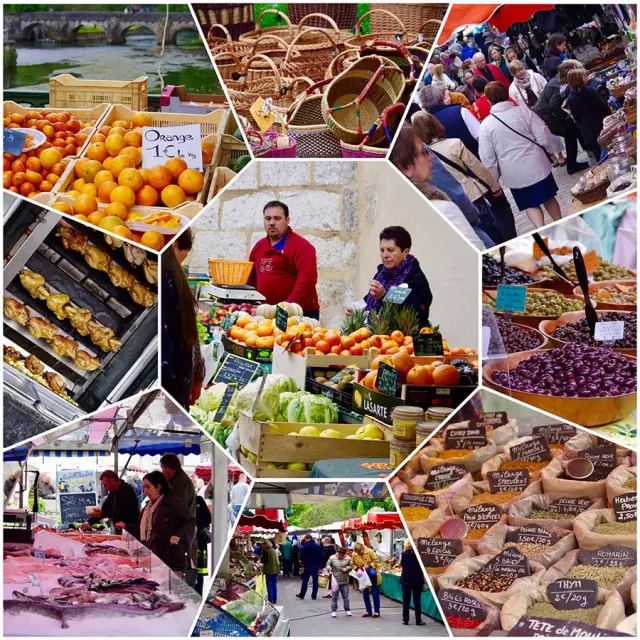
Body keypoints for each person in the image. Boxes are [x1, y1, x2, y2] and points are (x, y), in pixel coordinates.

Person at [412, 111, 517, 241]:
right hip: (472, 195)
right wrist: (494, 186)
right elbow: (478, 168)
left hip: (451, 200)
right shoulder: (454, 144)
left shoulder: (422, 158)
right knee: (492, 226)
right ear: (435, 124)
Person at [479, 81, 561, 229]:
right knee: (549, 197)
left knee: (530, 204)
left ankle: (541, 229)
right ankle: (561, 223)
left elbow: (487, 158)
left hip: (514, 172)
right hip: (537, 163)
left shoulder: (486, 125)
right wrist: (550, 148)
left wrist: (493, 180)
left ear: (488, 99)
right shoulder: (524, 112)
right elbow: (543, 135)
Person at [390, 125, 488, 250]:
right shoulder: (445, 209)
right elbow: (454, 192)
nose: (430, 156)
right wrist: (473, 216)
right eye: (424, 152)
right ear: (405, 168)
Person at [248, 200, 319, 319]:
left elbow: (306, 282)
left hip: (298, 315)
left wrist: (286, 309)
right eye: (268, 218)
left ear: (287, 220)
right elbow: (250, 281)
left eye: (277, 218)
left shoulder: (302, 247)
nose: (271, 223)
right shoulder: (259, 247)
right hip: (266, 316)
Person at [161, 228, 204, 409]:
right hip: (174, 381)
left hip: (174, 379)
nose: (181, 263)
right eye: (183, 256)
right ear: (175, 245)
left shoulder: (167, 275)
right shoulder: (168, 277)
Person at [124, 471, 195, 575]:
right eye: (144, 487)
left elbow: (190, 521)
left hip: (169, 558)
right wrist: (126, 526)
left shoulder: (172, 502)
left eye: (148, 487)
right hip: (152, 556)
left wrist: (178, 535)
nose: (145, 491)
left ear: (158, 487)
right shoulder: (148, 506)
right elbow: (142, 529)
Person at [360, 226, 433, 326]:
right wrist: (357, 310)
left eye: (390, 250)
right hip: (379, 336)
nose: (385, 255)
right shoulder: (381, 273)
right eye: (382, 250)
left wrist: (385, 296)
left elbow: (415, 313)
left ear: (405, 252)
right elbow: (369, 300)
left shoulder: (414, 278)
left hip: (406, 338)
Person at [534, 60, 589, 175]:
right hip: (546, 115)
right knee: (570, 134)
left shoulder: (559, 81)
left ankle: (574, 161)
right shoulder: (558, 85)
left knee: (571, 132)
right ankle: (572, 166)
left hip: (547, 114)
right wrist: (566, 116)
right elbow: (553, 105)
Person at [508, 59, 566, 167]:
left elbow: (547, 87)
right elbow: (516, 104)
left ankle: (560, 154)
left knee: (553, 132)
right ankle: (552, 156)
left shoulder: (535, 76)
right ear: (513, 74)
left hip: (545, 109)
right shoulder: (512, 88)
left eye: (521, 69)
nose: (521, 72)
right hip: (531, 114)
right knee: (541, 136)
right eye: (517, 71)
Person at [420, 84, 480, 157]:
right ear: (441, 97)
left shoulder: (424, 124)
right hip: (475, 158)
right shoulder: (460, 111)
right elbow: (480, 136)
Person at [566, 67, 610, 162]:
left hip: (587, 129)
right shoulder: (589, 91)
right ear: (580, 79)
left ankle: (602, 166)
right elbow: (601, 106)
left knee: (597, 152)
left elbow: (575, 116)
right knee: (607, 145)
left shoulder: (570, 97)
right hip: (599, 123)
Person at [85, 470, 140, 535]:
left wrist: (102, 513)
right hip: (119, 530)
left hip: (130, 532)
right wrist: (88, 522)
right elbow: (105, 508)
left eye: (106, 484)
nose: (105, 488)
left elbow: (121, 512)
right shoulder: (113, 491)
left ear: (112, 480)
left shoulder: (127, 490)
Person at [351, 542, 382, 618]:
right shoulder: (354, 554)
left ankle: (377, 612)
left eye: (359, 551)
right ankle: (368, 611)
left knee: (375, 594)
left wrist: (369, 566)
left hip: (373, 575)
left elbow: (377, 562)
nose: (358, 553)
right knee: (365, 594)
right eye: (357, 552)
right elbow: (352, 564)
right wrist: (358, 568)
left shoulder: (370, 551)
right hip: (363, 576)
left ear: (362, 548)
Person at [400, 540, 426, 626]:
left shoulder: (403, 554)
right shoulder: (419, 555)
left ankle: (405, 620)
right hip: (417, 581)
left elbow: (401, 565)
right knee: (417, 601)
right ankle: (418, 620)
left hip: (406, 580)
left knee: (406, 601)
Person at [326, 546, 352, 618]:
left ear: (344, 554)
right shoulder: (332, 558)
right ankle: (333, 611)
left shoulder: (348, 558)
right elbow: (327, 564)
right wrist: (329, 568)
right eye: (339, 555)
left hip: (344, 580)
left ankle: (347, 609)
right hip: (335, 581)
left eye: (342, 555)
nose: (340, 556)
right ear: (337, 553)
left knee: (345, 596)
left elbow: (351, 566)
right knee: (334, 597)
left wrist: (346, 568)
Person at [297, 534, 324, 600]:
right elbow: (322, 557)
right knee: (315, 581)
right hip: (316, 566)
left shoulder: (305, 547)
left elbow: (301, 557)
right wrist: (321, 566)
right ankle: (314, 596)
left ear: (307, 538)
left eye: (305, 539)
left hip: (307, 566)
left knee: (305, 581)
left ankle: (302, 595)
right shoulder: (319, 547)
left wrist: (303, 564)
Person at [262, 540, 280, 605]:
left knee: (269, 585)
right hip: (275, 570)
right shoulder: (274, 550)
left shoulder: (266, 551)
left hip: (269, 570)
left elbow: (263, 560)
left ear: (265, 545)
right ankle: (275, 599)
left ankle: (270, 600)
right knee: (274, 585)